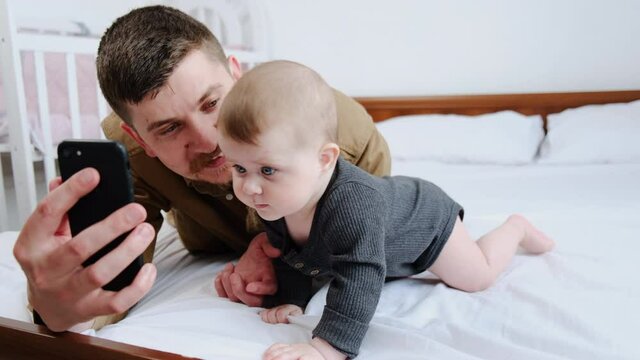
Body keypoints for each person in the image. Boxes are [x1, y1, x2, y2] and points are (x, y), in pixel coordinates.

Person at [13, 5, 391, 332]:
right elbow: (110, 282)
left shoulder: (345, 135)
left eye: (212, 103)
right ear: (139, 138)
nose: (211, 141)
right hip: (205, 240)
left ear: (236, 75)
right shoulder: (132, 156)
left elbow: (372, 246)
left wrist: (279, 250)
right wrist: (55, 308)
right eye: (170, 128)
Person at [216, 60, 556, 360]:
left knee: (477, 278)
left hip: (426, 223)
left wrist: (326, 347)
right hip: (385, 242)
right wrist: (291, 300)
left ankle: (515, 228)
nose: (249, 187)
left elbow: (360, 276)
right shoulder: (274, 199)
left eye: (268, 170)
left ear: (324, 160)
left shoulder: (351, 205)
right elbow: (289, 254)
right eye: (239, 169)